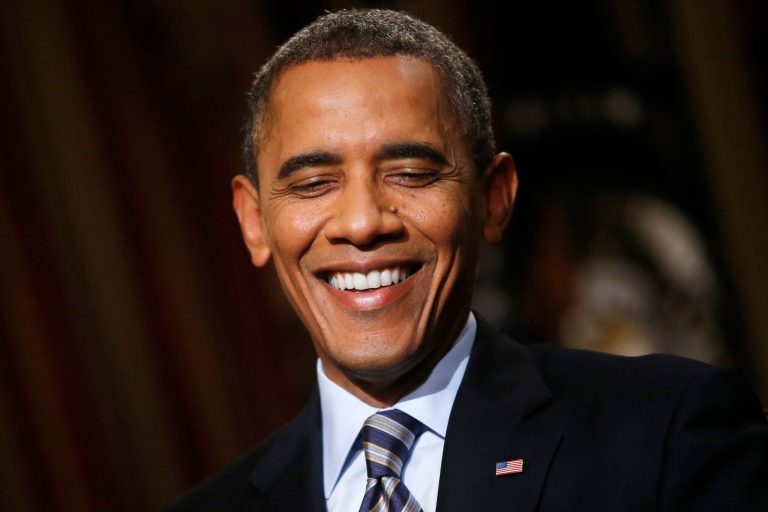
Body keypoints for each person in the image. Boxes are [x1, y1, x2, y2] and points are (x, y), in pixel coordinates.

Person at [168, 8, 768, 512]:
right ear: (254, 222)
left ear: (493, 199)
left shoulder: (666, 433)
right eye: (313, 184)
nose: (362, 222)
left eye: (410, 173)